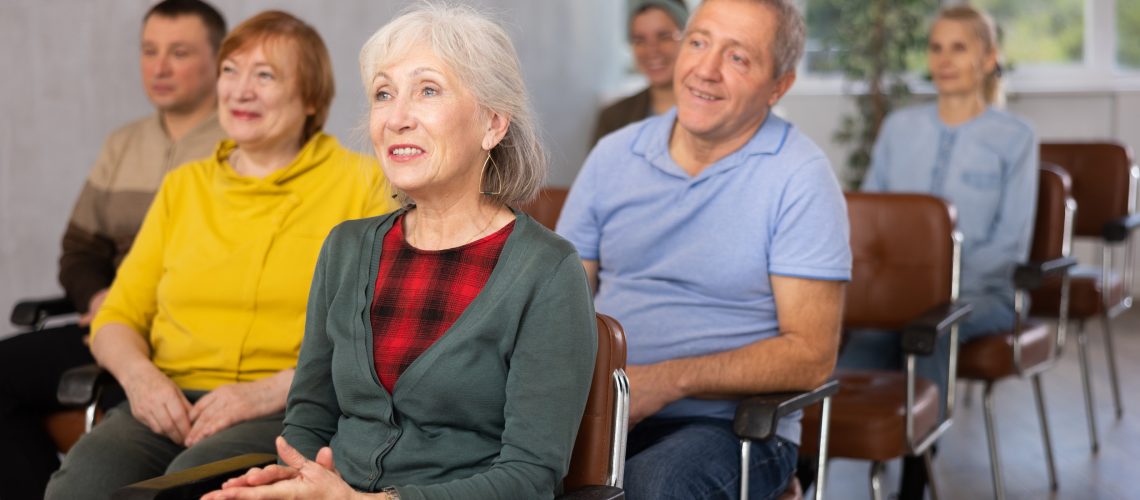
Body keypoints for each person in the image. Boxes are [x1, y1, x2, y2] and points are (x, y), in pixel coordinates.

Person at [201, 5, 597, 500]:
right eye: (383, 94)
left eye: (428, 90)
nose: (397, 118)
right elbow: (309, 414)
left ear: (493, 124)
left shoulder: (547, 270)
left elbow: (531, 476)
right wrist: (297, 478)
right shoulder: (346, 247)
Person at [44, 10, 397, 498]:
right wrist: (141, 380)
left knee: (192, 485)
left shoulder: (364, 182)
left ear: (311, 98)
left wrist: (271, 390)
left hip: (289, 406)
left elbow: (385, 327)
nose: (240, 90)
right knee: (78, 488)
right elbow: (118, 316)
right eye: (230, 71)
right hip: (167, 401)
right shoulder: (183, 187)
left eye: (265, 75)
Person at [557, 0, 850, 497]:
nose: (706, 70)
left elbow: (811, 356)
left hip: (735, 428)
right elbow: (558, 299)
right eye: (698, 42)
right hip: (603, 409)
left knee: (653, 486)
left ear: (778, 86)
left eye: (738, 57)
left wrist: (665, 382)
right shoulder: (613, 155)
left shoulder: (801, 178)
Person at [0, 1, 226, 497]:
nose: (160, 67)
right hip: (113, 326)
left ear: (219, 61)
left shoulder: (242, 143)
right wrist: (99, 298)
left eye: (179, 52)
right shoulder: (123, 144)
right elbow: (80, 247)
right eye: (149, 51)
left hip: (190, 335)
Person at [839, 5, 1038, 499]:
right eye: (935, 47)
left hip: (983, 294)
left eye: (959, 47)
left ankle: (914, 476)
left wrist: (931, 293)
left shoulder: (1016, 138)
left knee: (929, 331)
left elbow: (1010, 243)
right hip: (896, 298)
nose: (943, 59)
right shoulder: (898, 129)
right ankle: (804, 466)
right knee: (857, 349)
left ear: (990, 58)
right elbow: (869, 222)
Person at [592, 0, 688, 144]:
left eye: (664, 36)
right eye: (639, 40)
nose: (652, 50)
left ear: (689, 39)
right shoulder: (613, 118)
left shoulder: (714, 112)